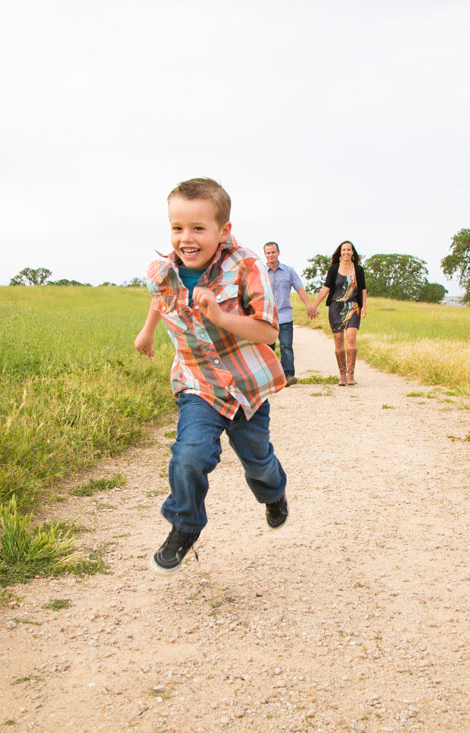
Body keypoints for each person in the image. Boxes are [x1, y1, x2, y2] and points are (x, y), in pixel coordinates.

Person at [134, 177, 289, 575]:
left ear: (224, 231)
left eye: (198, 228)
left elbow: (269, 331)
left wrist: (220, 316)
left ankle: (274, 493)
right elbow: (159, 295)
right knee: (189, 455)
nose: (186, 238)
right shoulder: (163, 270)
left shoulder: (247, 267)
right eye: (177, 227)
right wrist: (148, 330)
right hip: (197, 384)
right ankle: (184, 526)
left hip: (245, 388)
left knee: (258, 462)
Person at [312, 240, 367, 386]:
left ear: (353, 252)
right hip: (336, 308)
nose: (346, 253)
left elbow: (363, 290)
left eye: (349, 250)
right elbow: (326, 288)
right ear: (340, 252)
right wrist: (314, 306)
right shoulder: (334, 269)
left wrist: (364, 307)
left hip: (353, 307)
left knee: (350, 338)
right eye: (344, 250)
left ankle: (351, 375)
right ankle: (342, 374)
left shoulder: (359, 269)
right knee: (338, 340)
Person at [263, 241, 318, 386]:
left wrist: (309, 306)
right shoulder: (260, 272)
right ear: (265, 255)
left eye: (273, 252)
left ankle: (288, 375)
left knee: (286, 345)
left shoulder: (288, 271)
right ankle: (270, 377)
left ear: (278, 253)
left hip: (285, 315)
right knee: (267, 348)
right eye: (268, 253)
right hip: (266, 317)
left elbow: (299, 289)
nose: (271, 255)